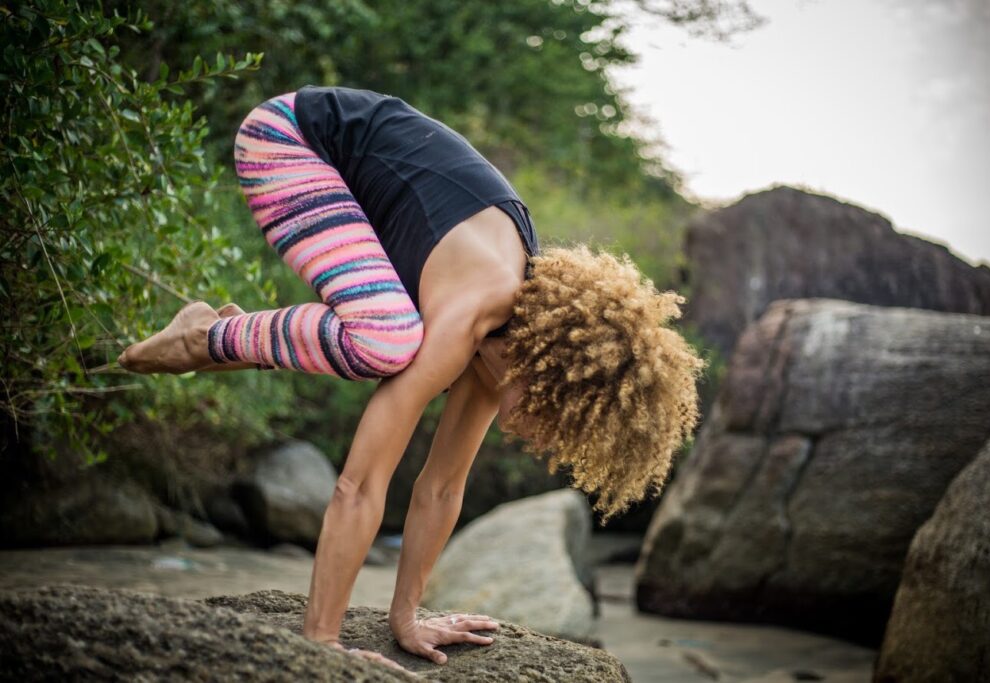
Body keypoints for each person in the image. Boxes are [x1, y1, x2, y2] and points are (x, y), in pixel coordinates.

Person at [117, 86, 707, 673]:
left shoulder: (495, 352)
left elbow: (442, 488)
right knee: (387, 341)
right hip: (290, 139)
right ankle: (205, 337)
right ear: (551, 373)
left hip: (340, 169)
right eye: (558, 417)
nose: (542, 439)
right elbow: (358, 485)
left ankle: (218, 335)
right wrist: (320, 644)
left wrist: (407, 617)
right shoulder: (478, 306)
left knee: (390, 339)